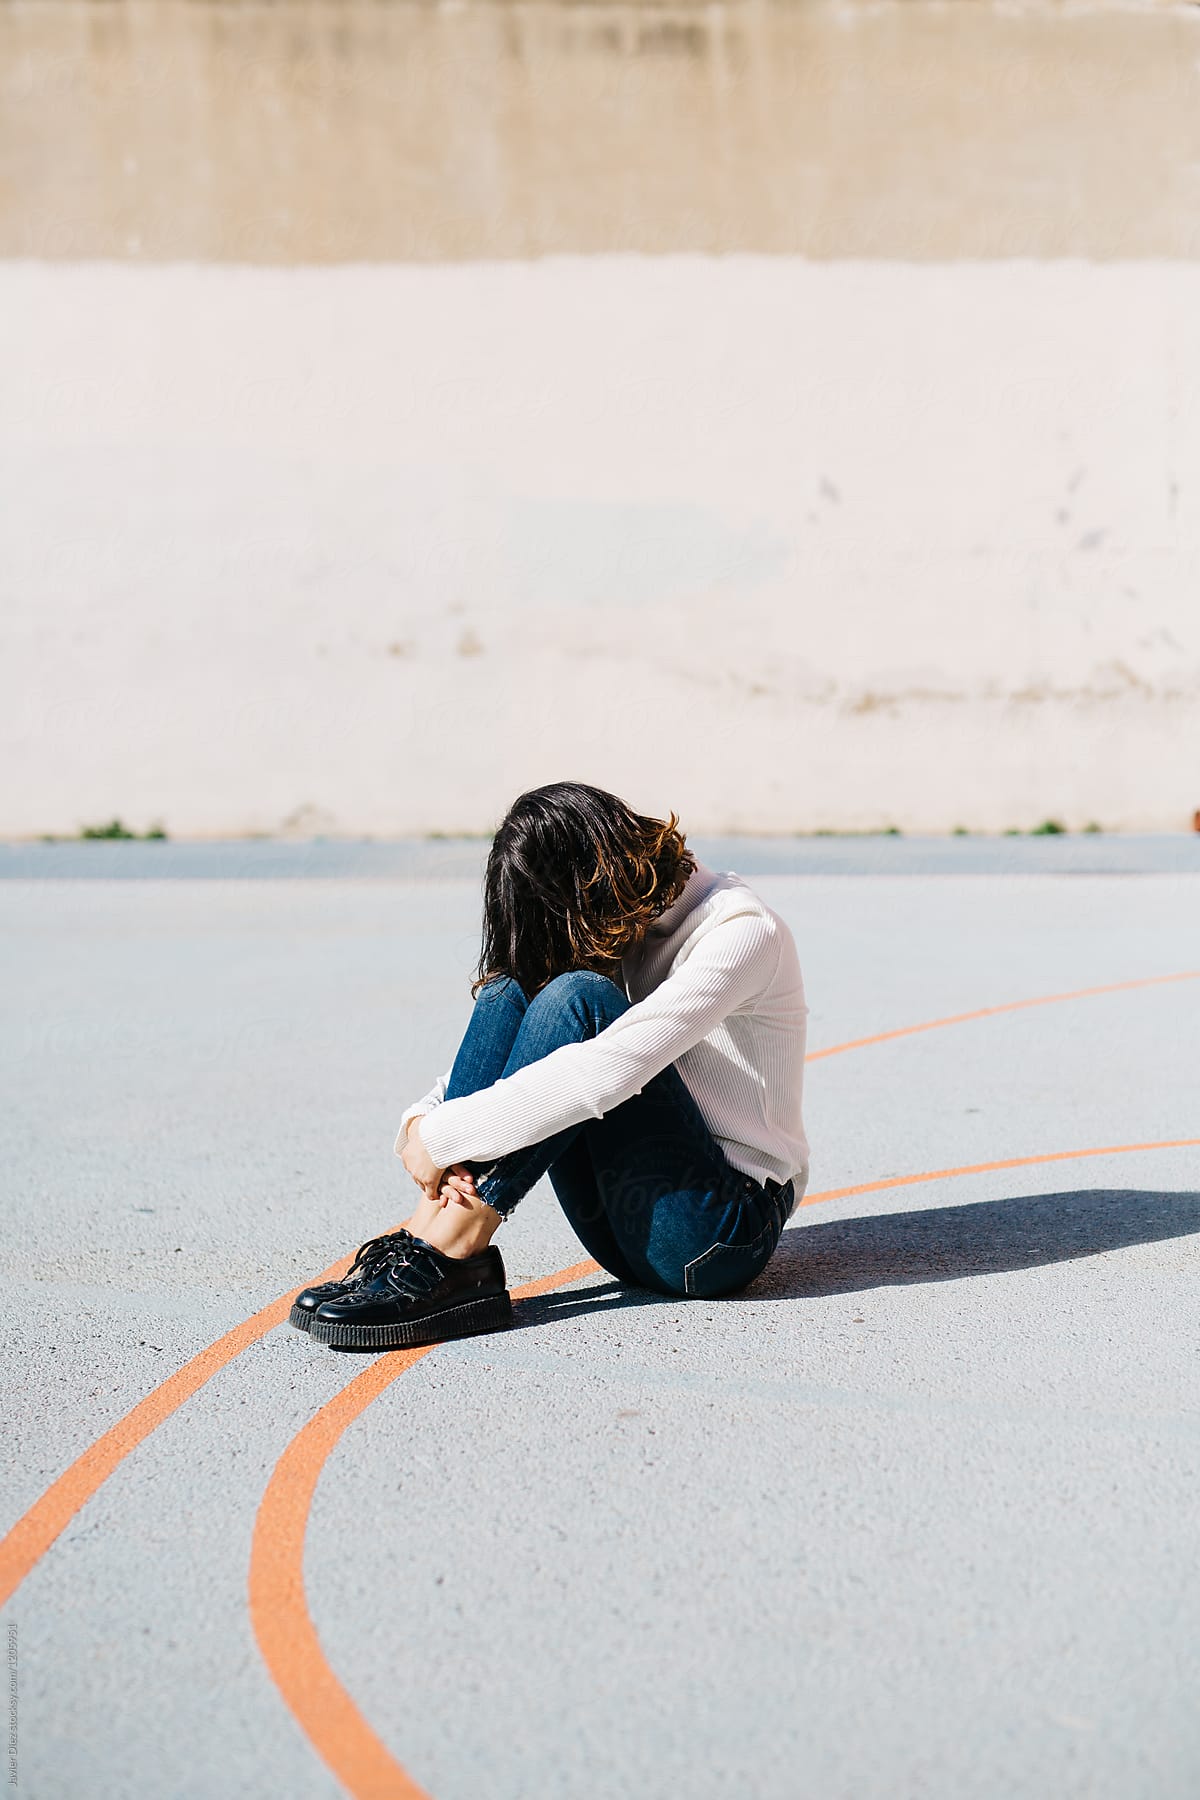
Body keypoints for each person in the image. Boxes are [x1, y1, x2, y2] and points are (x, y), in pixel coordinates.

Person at [290, 782, 810, 1349]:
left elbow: (610, 1071)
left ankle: (459, 1244)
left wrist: (440, 1138)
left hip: (719, 1234)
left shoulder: (741, 932)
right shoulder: (620, 916)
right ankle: (430, 1232)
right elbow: (527, 1055)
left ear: (590, 889)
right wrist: (423, 1118)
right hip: (627, 1224)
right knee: (510, 990)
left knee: (575, 996)